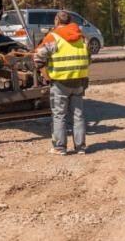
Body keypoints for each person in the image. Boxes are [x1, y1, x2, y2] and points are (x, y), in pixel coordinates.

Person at [33, 10, 90, 156]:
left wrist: (42, 69)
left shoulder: (53, 36)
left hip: (60, 82)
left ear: (57, 21)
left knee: (59, 115)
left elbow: (38, 56)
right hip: (79, 81)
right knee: (78, 116)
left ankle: (60, 148)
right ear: (70, 21)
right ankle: (81, 148)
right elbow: (88, 57)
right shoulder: (81, 37)